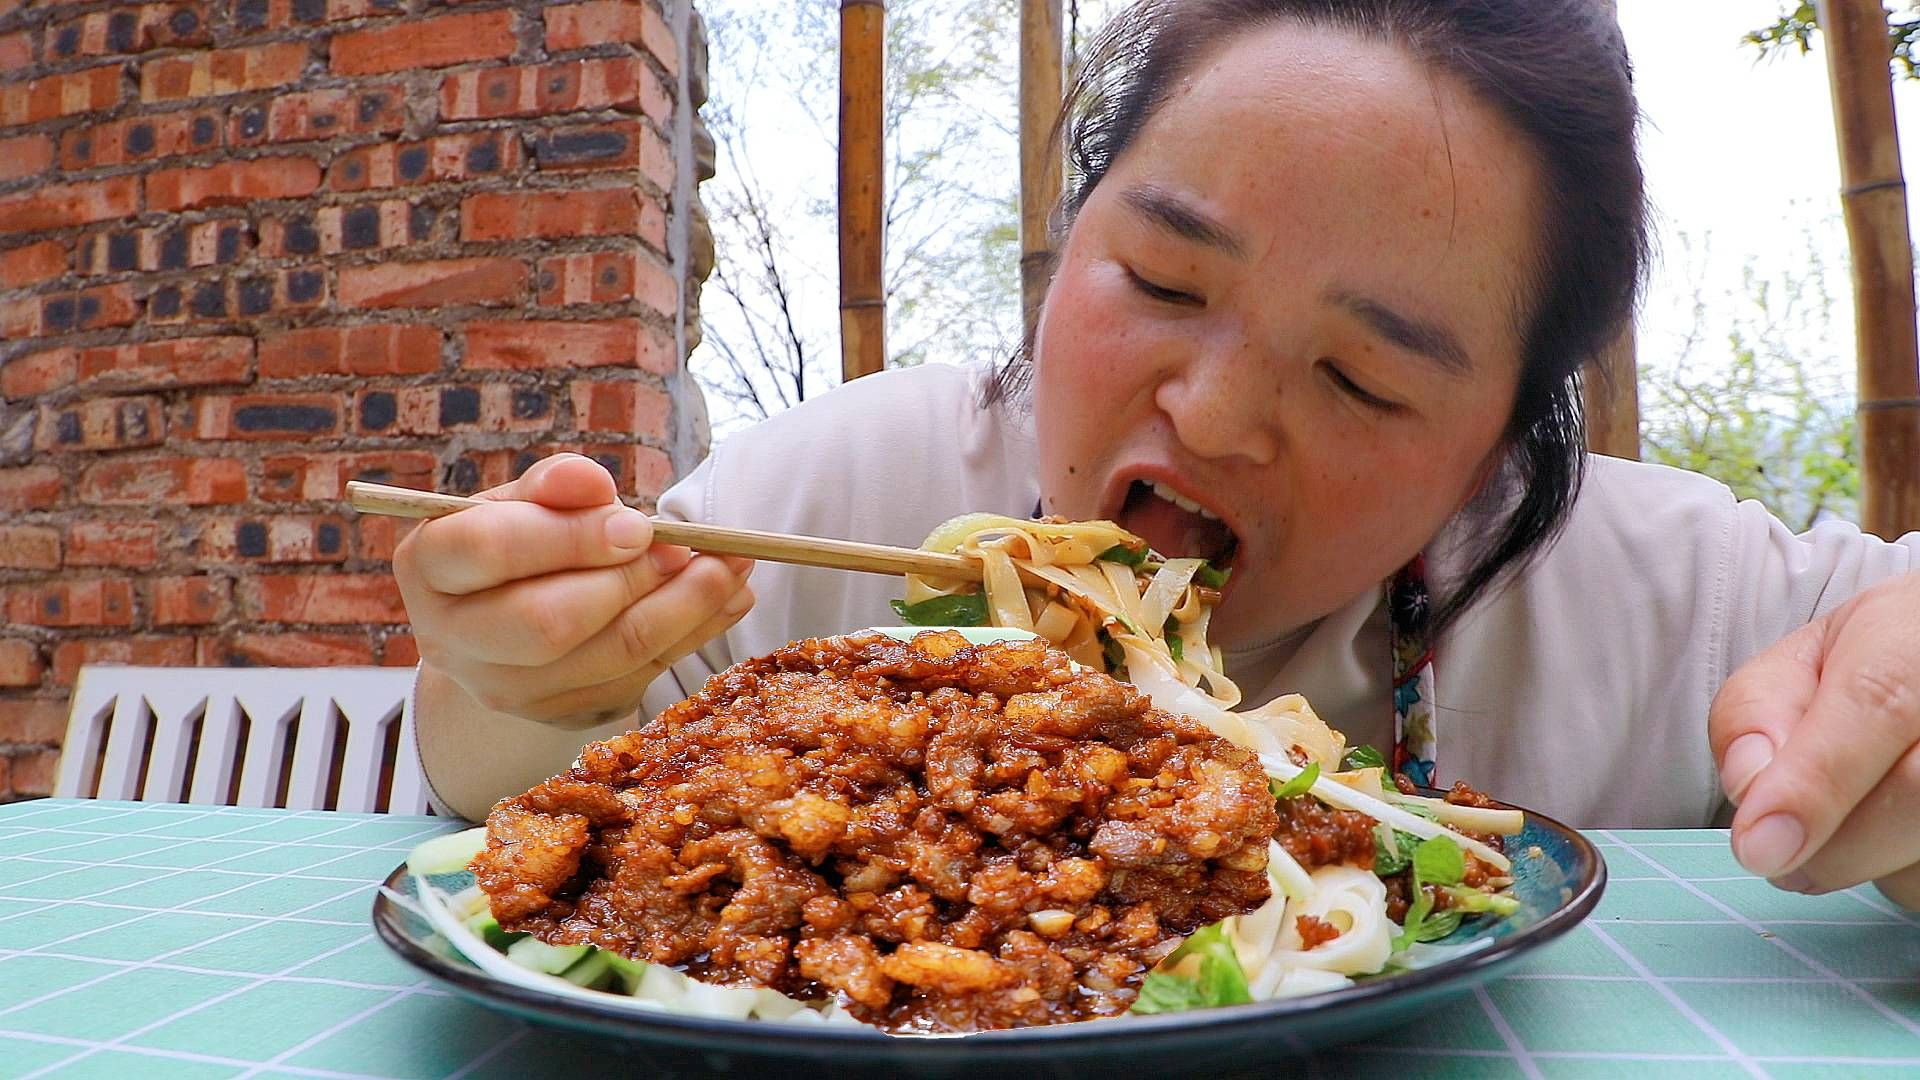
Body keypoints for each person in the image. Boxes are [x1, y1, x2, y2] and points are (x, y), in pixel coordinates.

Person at [393, 0, 1920, 908]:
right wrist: (511, 683)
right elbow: (517, 792)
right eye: (1166, 284)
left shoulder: (1676, 596)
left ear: (1497, 451)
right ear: (1070, 240)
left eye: (1365, 377)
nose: (1216, 416)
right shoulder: (842, 490)